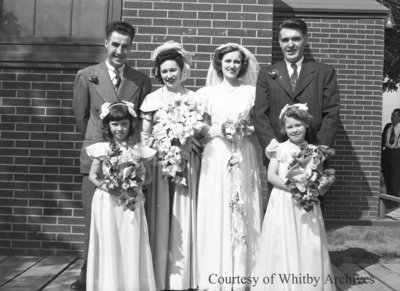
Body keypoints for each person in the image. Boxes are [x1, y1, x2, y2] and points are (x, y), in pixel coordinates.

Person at [72, 21, 151, 290]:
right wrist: (103, 147)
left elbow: (139, 122)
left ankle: (123, 277)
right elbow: (82, 119)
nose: (120, 50)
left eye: (125, 46)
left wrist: (128, 154)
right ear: (106, 43)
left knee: (125, 221)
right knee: (93, 221)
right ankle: (89, 276)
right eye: (115, 44)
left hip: (129, 161)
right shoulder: (87, 75)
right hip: (97, 159)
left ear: (131, 47)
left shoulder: (140, 80)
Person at [195, 43, 262, 291]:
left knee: (243, 205)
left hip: (242, 152)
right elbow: (200, 127)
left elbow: (259, 125)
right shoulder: (207, 94)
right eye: (227, 62)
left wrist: (244, 130)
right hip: (217, 154)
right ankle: (216, 270)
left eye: (236, 62)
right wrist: (219, 130)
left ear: (242, 65)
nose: (232, 66)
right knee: (218, 207)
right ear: (219, 65)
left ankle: (243, 272)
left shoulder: (250, 93)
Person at [253, 18, 340, 198]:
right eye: (285, 40)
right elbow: (260, 114)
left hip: (312, 154)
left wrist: (316, 152)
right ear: (279, 42)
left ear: (305, 40)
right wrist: (276, 149)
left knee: (309, 210)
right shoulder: (267, 74)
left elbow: (331, 114)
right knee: (280, 210)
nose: (290, 45)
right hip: (280, 157)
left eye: (296, 39)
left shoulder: (324, 73)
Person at [252, 104, 335, 291]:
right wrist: (294, 187)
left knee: (308, 240)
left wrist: (322, 186)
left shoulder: (314, 150)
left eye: (298, 125)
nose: (294, 130)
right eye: (289, 127)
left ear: (306, 124)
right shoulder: (278, 148)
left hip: (307, 203)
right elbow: (272, 176)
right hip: (284, 201)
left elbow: (318, 175)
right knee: (283, 240)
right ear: (284, 129)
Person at [140, 41, 200, 290]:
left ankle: (183, 277)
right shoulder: (152, 99)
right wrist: (155, 151)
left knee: (184, 212)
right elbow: (143, 136)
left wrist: (189, 140)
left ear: (182, 69)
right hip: (159, 165)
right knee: (162, 214)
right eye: (163, 71)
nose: (168, 75)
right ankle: (160, 274)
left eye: (172, 70)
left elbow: (202, 133)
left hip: (186, 164)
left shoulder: (194, 98)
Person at [85, 101, 156, 291]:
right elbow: (93, 176)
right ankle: (110, 284)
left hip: (131, 199)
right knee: (110, 239)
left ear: (130, 124)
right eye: (115, 124)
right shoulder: (102, 148)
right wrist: (108, 186)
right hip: (108, 200)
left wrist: (135, 182)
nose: (120, 128)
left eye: (124, 123)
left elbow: (148, 177)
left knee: (130, 237)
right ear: (108, 125)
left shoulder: (138, 148)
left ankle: (130, 284)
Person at [381, 108, 400, 197]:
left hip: (397, 154)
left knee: (395, 178)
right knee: (387, 177)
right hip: (386, 154)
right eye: (392, 114)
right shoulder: (388, 126)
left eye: (394, 115)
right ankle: (389, 199)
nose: (392, 117)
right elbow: (382, 140)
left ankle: (395, 200)